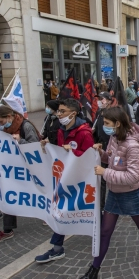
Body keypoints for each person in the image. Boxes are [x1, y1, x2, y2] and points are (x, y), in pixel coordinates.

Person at [68, 107, 139, 279]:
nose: (104, 126)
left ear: (118, 124)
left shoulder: (134, 146)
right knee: (105, 231)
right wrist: (101, 153)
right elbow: (110, 159)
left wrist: (105, 172)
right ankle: (93, 273)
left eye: (107, 123)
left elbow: (133, 177)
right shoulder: (114, 138)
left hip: (131, 194)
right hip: (114, 194)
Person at [35, 99, 94, 263]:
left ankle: (58, 247)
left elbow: (90, 157)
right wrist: (48, 145)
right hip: (65, 178)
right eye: (58, 111)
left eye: (62, 111)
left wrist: (74, 151)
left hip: (80, 179)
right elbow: (61, 153)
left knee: (74, 210)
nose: (58, 114)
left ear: (73, 114)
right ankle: (57, 248)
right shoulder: (61, 130)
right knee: (61, 211)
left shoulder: (84, 132)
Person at [0, 106, 40, 246]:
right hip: (13, 168)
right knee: (8, 195)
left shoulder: (26, 126)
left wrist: (20, 140)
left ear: (9, 116)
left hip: (29, 168)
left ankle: (48, 214)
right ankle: (7, 229)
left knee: (39, 192)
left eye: (2, 121)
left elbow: (35, 146)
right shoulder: (5, 128)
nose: (1, 124)